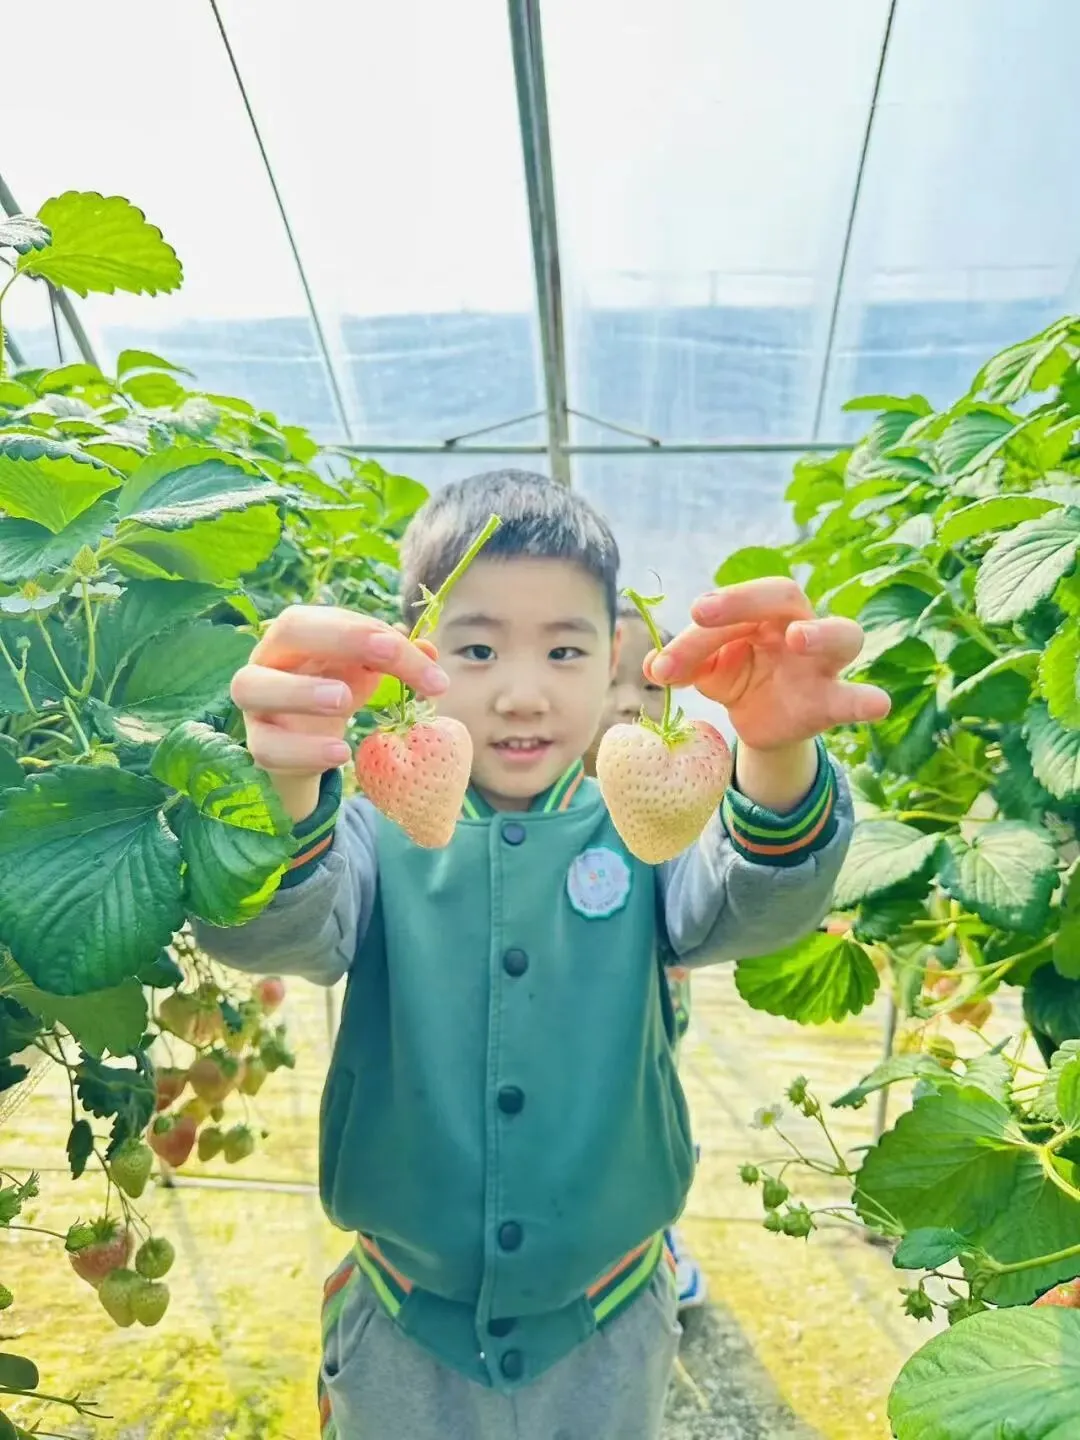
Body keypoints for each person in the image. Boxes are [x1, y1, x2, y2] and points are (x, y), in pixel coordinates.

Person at [196, 470, 888, 1440]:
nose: (522, 696)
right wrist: (279, 789)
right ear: (414, 656)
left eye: (564, 650)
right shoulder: (372, 824)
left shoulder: (643, 822)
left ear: (612, 660)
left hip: (609, 1321)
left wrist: (774, 758)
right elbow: (269, 932)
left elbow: (748, 910)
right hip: (403, 1321)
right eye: (477, 649)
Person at [583, 598, 706, 1310]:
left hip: (654, 1005)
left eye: (652, 686)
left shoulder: (674, 790)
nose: (631, 703)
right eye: (612, 681)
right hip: (566, 1005)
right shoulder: (540, 798)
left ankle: (655, 1229)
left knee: (648, 1110)